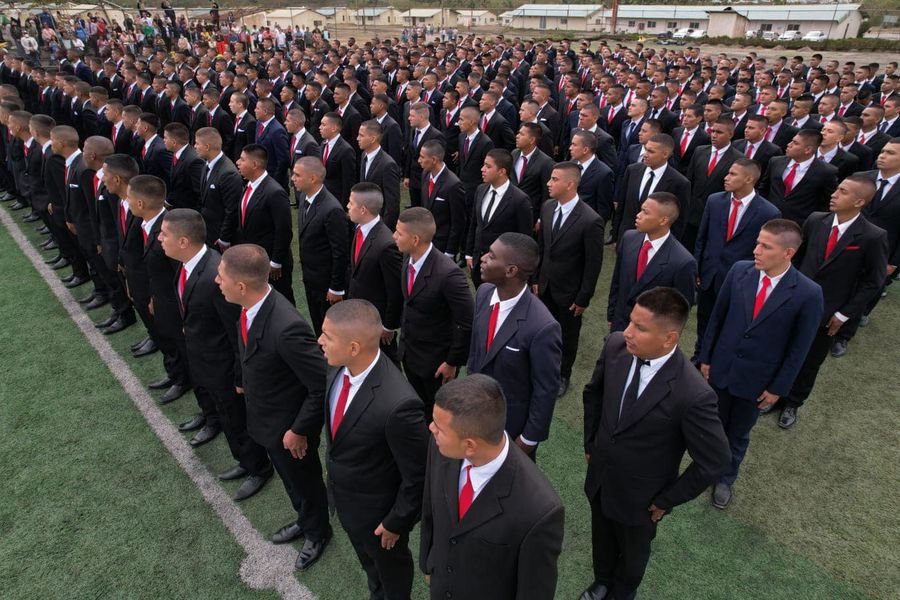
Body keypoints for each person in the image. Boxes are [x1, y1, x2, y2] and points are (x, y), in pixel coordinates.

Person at [581, 287, 730, 600]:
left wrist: (666, 500)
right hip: (601, 479)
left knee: (632, 559)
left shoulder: (693, 394)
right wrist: (591, 445)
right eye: (630, 321)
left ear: (669, 338)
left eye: (640, 327)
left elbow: (715, 460)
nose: (627, 332)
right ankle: (602, 581)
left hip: (642, 501)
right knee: (602, 537)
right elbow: (594, 394)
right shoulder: (615, 347)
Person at [217, 244, 331, 571]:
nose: (217, 281)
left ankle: (318, 532)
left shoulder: (286, 327)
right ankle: (305, 519)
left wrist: (299, 430)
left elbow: (320, 384)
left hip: (289, 431)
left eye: (221, 276)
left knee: (305, 482)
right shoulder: (250, 307)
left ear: (241, 286)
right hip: (269, 422)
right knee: (292, 482)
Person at [699, 219, 823, 509]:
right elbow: (717, 318)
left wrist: (778, 388)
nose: (756, 250)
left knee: (738, 433)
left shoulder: (808, 293)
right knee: (712, 423)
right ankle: (704, 467)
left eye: (766, 246)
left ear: (788, 253)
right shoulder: (738, 271)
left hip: (757, 381)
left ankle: (725, 478)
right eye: (757, 243)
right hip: (721, 368)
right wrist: (706, 358)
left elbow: (799, 349)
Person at [317, 300, 429, 600]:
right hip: (349, 505)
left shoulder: (399, 405)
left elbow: (418, 476)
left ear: (354, 348)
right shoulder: (337, 367)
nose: (320, 341)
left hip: (380, 521)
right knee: (372, 569)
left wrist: (396, 523)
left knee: (391, 573)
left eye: (327, 336)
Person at [159, 209, 273, 497]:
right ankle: (244, 460)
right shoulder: (186, 265)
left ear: (183, 241)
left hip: (223, 366)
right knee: (225, 415)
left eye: (164, 234)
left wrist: (239, 376)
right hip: (204, 358)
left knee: (236, 417)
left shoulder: (214, 276)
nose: (159, 239)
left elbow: (237, 331)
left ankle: (258, 467)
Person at [420, 375, 565, 600]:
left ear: (470, 445)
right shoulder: (441, 447)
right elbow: (431, 508)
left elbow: (534, 591)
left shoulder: (540, 511)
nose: (431, 429)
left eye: (439, 427)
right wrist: (428, 564)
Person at [778, 176, 888, 428]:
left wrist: (844, 314)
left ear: (859, 201)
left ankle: (792, 403)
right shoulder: (816, 220)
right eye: (837, 189)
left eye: (843, 191)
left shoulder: (873, 236)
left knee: (810, 361)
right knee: (784, 350)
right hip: (794, 302)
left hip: (829, 313)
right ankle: (776, 394)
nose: (834, 194)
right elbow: (798, 259)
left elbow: (873, 281)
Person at [467, 232, 561, 458]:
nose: (483, 259)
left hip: (510, 428)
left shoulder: (543, 326)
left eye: (492, 256)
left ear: (511, 271)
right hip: (475, 414)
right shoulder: (484, 293)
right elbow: (476, 349)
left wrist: (528, 440)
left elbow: (546, 390)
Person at [693, 159, 781, 362]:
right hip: (709, 275)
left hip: (740, 281)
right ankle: (699, 357)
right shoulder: (714, 201)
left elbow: (764, 251)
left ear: (749, 179)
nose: (726, 177)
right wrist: (698, 268)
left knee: (729, 324)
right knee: (704, 319)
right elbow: (702, 238)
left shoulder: (769, 212)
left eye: (732, 174)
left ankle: (715, 360)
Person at [394, 207, 473, 421]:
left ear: (415, 239)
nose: (394, 236)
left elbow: (466, 322)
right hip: (410, 354)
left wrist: (452, 362)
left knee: (437, 417)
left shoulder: (449, 274)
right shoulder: (407, 260)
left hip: (436, 365)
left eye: (399, 233)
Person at [535, 161, 604, 397]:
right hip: (545, 286)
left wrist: (583, 298)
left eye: (554, 179)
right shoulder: (547, 207)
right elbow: (542, 247)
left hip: (570, 293)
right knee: (543, 330)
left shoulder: (590, 220)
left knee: (567, 336)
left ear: (570, 184)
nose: (548, 183)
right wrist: (536, 278)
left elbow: (593, 264)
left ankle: (563, 375)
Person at [126, 174, 192, 404]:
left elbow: (179, 274)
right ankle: (176, 375)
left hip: (173, 304)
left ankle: (184, 380)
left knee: (180, 345)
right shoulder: (143, 223)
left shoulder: (170, 231)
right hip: (158, 298)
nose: (127, 202)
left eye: (129, 198)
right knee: (166, 341)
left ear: (141, 203)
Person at [607, 192, 697, 333]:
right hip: (619, 324)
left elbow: (681, 309)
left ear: (663, 220)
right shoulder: (629, 238)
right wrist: (612, 314)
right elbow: (617, 281)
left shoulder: (683, 262)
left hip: (651, 334)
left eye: (645, 212)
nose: (638, 215)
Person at [221, 143, 294, 304]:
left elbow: (284, 230)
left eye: (242, 159)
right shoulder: (249, 186)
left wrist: (275, 262)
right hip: (254, 260)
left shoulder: (274, 192)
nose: (237, 162)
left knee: (280, 302)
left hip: (271, 265)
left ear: (255, 164)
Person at [346, 182, 403, 362]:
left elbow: (395, 290)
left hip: (377, 324)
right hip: (360, 315)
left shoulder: (386, 245)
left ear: (363, 210)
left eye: (351, 203)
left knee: (386, 363)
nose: (347, 206)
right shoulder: (360, 230)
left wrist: (389, 326)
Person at [292, 156, 348, 336]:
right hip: (311, 279)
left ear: (313, 178)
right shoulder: (304, 197)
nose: (293, 178)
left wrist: (336, 287)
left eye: (297, 175)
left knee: (332, 332)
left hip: (326, 285)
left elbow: (340, 252)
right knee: (318, 327)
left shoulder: (332, 209)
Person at [464, 149, 532, 288]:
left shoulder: (520, 200)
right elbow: (474, 224)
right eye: (484, 165)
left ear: (502, 171)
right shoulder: (481, 190)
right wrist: (469, 254)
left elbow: (524, 239)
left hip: (502, 269)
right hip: (478, 263)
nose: (482, 169)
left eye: (488, 166)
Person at [760, 130, 839, 225]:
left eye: (795, 143)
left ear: (808, 150)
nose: (789, 145)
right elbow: (764, 189)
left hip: (799, 224)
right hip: (768, 219)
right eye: (791, 141)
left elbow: (826, 202)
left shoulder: (826, 172)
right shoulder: (775, 162)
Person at [357, 119, 401, 230]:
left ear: (373, 139)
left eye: (361, 135)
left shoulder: (388, 165)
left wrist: (384, 229)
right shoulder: (364, 155)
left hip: (379, 224)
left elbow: (392, 203)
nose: (357, 138)